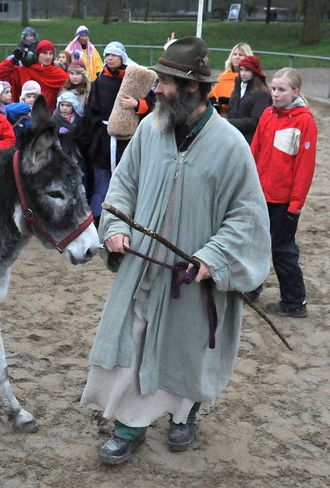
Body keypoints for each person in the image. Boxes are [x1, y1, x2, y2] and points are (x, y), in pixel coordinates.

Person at [80, 36, 271, 465]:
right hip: (144, 270)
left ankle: (186, 416)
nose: (157, 90)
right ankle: (129, 427)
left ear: (191, 87)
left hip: (194, 279)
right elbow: (122, 187)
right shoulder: (150, 129)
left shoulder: (230, 146)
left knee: (188, 353)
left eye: (165, 82)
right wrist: (113, 226)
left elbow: (247, 217)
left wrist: (213, 257)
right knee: (134, 341)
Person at [249, 68, 317, 318]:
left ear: (295, 92)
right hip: (261, 195)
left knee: (283, 250)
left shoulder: (304, 120)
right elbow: (254, 150)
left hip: (284, 201)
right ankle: (253, 286)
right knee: (255, 244)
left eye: (281, 90)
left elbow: (305, 166)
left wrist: (296, 204)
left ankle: (295, 302)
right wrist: (250, 185)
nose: (275, 94)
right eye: (273, 89)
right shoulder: (268, 114)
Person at [77, 42, 155, 223]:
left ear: (122, 57)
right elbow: (91, 111)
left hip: (127, 139)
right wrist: (98, 131)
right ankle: (99, 216)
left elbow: (152, 103)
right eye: (107, 55)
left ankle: (127, 215)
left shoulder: (133, 81)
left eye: (113, 55)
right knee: (101, 179)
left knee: (127, 176)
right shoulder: (98, 83)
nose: (109, 58)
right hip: (102, 140)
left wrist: (137, 105)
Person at [0, 39, 68, 113]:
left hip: (47, 117)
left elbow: (75, 83)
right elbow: (2, 74)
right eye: (44, 53)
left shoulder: (58, 73)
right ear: (37, 54)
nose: (48, 57)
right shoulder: (25, 71)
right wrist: (14, 59)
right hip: (24, 115)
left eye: (51, 53)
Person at [224, 55, 271, 144]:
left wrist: (229, 123)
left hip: (249, 140)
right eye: (241, 70)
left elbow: (255, 122)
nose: (243, 73)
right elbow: (229, 110)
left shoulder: (262, 93)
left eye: (247, 70)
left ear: (254, 71)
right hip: (232, 136)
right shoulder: (238, 87)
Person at [209, 42, 253, 115]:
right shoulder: (223, 78)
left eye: (241, 55)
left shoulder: (252, 80)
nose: (237, 57)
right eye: (234, 54)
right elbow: (213, 97)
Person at [52, 91, 84, 169]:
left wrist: (74, 132)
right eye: (62, 105)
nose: (64, 108)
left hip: (74, 150)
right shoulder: (55, 118)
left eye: (68, 105)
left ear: (73, 106)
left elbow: (82, 132)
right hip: (60, 150)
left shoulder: (77, 119)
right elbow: (49, 132)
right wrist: (57, 131)